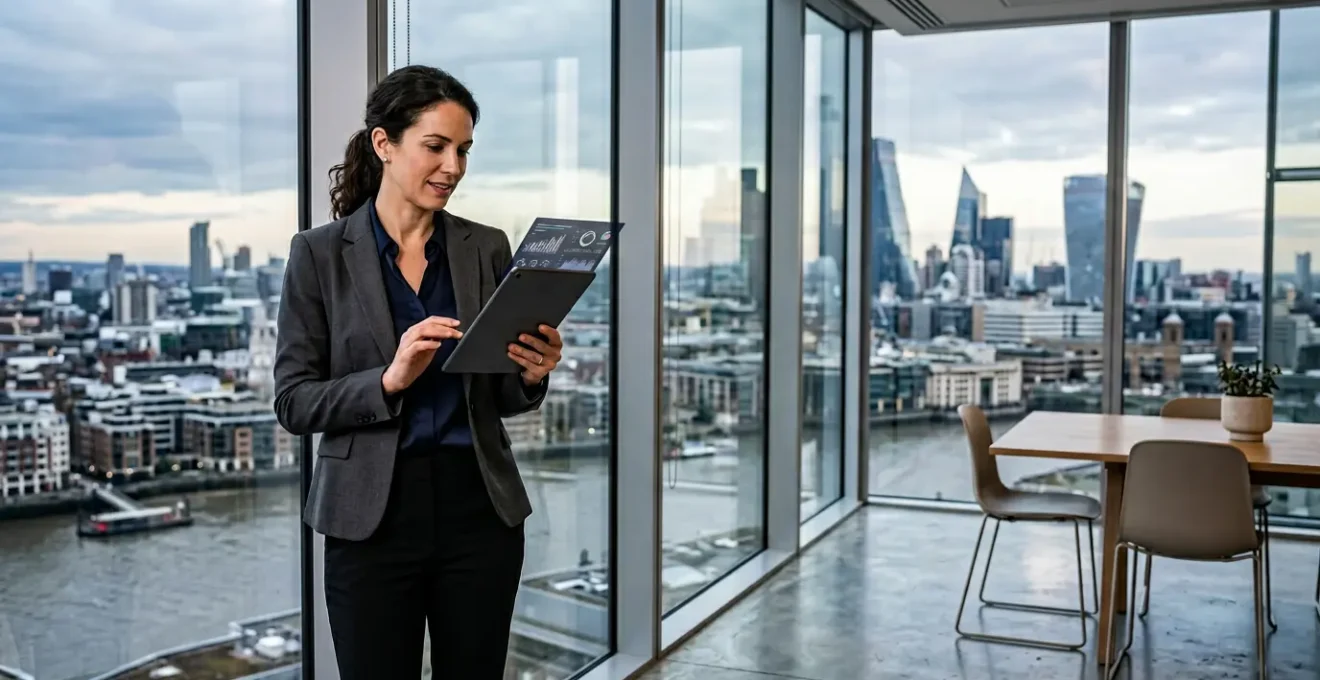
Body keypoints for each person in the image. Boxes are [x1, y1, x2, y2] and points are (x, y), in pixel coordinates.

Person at [273, 65, 562, 679]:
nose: (453, 167)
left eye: (463, 151)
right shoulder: (318, 254)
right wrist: (389, 379)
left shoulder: (485, 246)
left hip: (479, 511)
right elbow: (294, 403)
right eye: (436, 146)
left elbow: (500, 392)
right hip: (369, 520)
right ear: (385, 144)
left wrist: (532, 375)